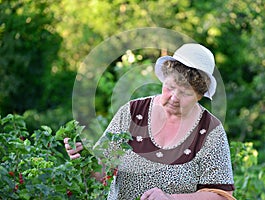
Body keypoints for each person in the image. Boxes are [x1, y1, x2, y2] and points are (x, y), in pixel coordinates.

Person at [64, 43, 235, 200]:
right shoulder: (133, 112)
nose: (174, 98)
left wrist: (171, 199)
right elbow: (101, 172)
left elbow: (221, 195)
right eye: (170, 87)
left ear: (199, 96)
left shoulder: (210, 131)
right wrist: (84, 159)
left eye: (185, 93)